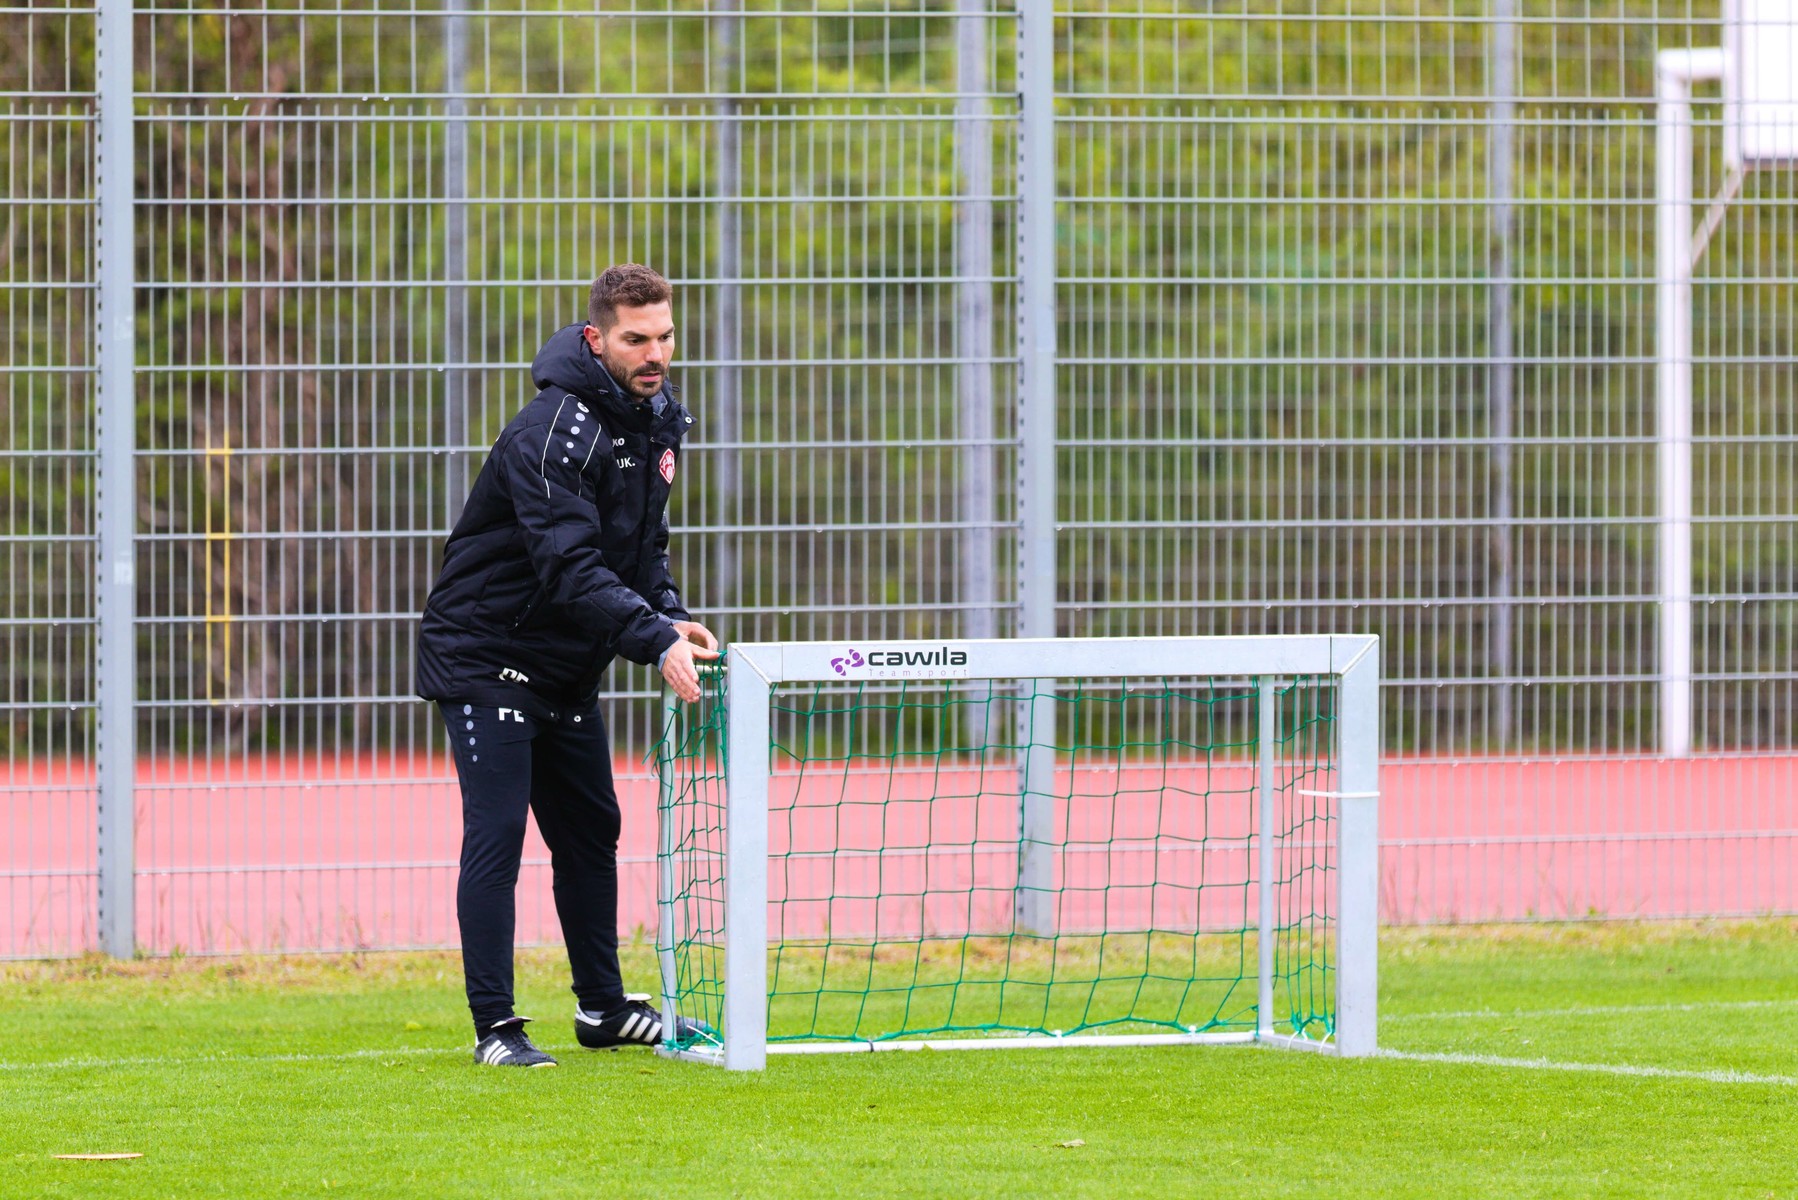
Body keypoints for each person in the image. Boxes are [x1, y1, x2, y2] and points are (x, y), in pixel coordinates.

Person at [417, 264, 719, 1068]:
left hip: (564, 664)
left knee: (591, 831)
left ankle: (603, 1011)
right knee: (498, 835)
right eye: (636, 339)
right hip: (485, 653)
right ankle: (496, 1028)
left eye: (665, 337)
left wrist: (669, 612)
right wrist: (652, 639)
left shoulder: (657, 421)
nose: (656, 355)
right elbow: (571, 568)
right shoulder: (553, 430)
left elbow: (641, 554)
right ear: (596, 338)